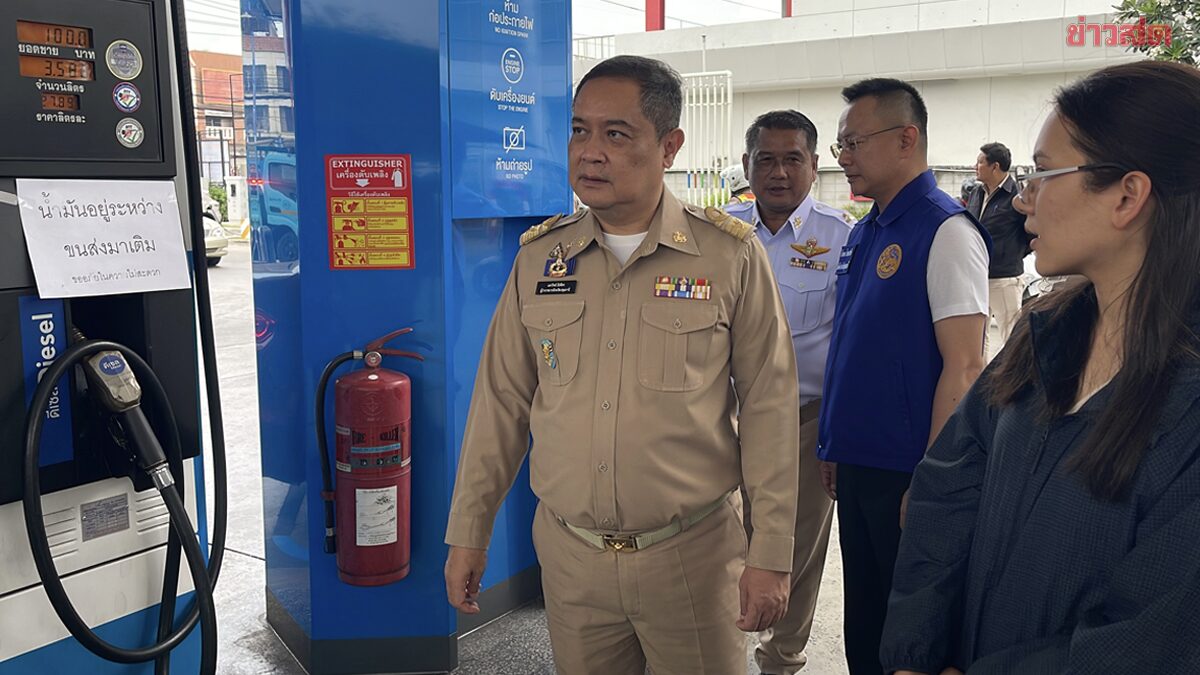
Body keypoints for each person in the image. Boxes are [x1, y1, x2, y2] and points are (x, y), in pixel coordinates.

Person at [443, 55, 802, 675]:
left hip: (691, 559)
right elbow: (500, 404)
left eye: (616, 133)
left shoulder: (728, 257)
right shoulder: (540, 260)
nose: (590, 152)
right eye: (579, 130)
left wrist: (770, 552)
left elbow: (770, 408)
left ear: (669, 146)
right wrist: (469, 530)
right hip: (572, 562)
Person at [881, 60, 1200, 675]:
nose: (1024, 197)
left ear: (1128, 196)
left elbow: (1148, 640)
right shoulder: (1043, 334)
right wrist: (916, 655)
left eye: (1043, 173)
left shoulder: (1186, 398)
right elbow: (945, 492)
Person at [816, 78, 990, 675]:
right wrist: (835, 445)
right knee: (864, 620)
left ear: (906, 139)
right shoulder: (866, 230)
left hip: (908, 471)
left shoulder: (946, 231)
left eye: (854, 143)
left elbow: (964, 366)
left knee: (909, 630)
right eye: (841, 146)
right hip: (859, 464)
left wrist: (933, 481)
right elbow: (853, 345)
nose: (844, 158)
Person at [726, 109, 853, 675]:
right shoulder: (720, 232)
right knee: (721, 540)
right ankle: (722, 650)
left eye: (792, 159)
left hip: (803, 422)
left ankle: (782, 658)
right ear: (747, 164)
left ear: (814, 164)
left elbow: (851, 343)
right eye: (766, 160)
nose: (778, 173)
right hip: (721, 421)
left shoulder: (843, 238)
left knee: (797, 550)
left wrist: (838, 434)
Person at [967, 142, 1031, 361]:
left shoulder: (1017, 196)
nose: (975, 166)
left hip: (1005, 279)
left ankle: (1014, 378)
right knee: (977, 337)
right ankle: (980, 379)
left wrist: (1010, 255)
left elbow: (1031, 232)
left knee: (1011, 336)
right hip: (977, 276)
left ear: (995, 166)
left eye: (980, 162)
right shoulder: (976, 193)